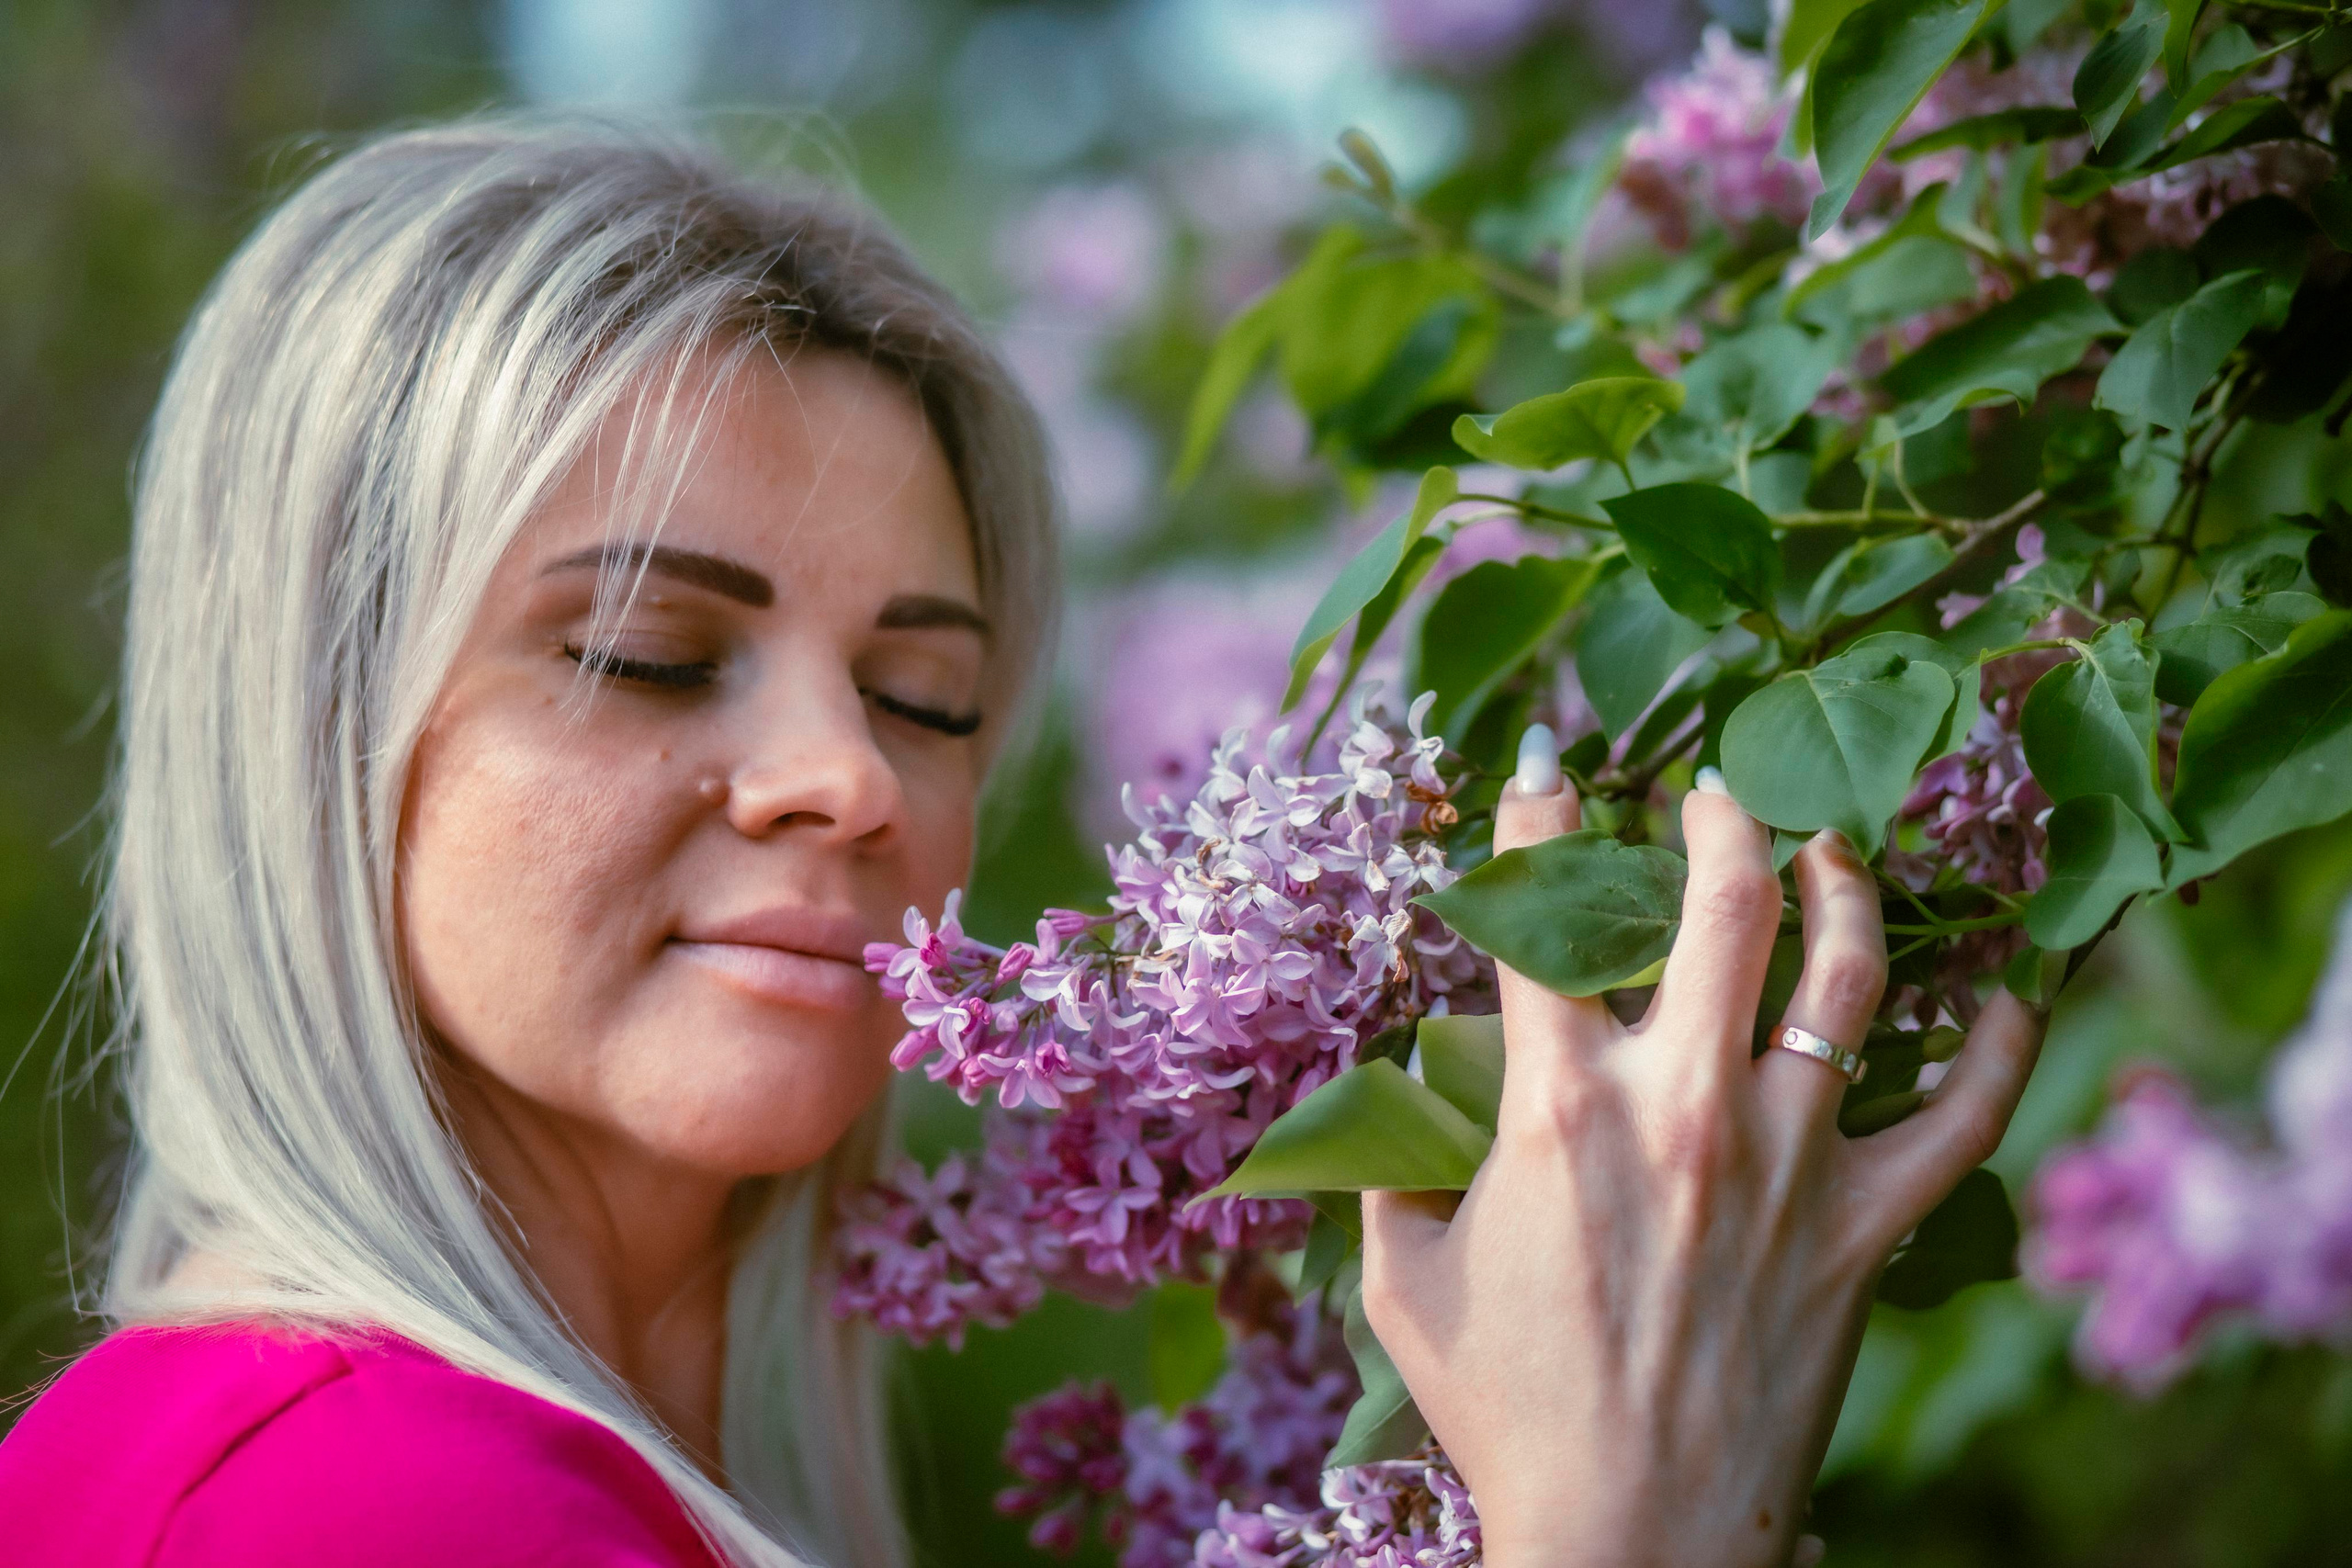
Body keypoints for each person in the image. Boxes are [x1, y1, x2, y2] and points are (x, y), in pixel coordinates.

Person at [0, 117, 2044, 1567]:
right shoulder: (357, 1512)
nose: (850, 777)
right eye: (646, 648)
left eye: (924, 693)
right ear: (314, 724)